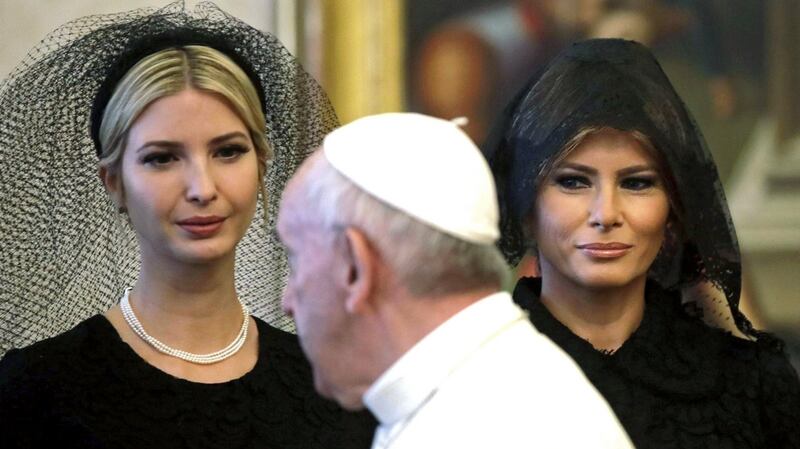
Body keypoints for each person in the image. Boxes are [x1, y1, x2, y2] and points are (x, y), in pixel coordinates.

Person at [0, 3, 374, 448]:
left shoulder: (331, 388)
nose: (202, 188)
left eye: (228, 151)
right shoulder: (34, 392)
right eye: (162, 158)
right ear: (114, 182)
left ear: (261, 164)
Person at [484, 38, 800, 448]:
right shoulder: (471, 380)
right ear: (526, 204)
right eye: (573, 182)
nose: (606, 213)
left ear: (673, 209)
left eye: (636, 183)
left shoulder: (753, 385)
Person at [276, 112, 634, 448]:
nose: (287, 301)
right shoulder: (509, 384)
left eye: (295, 258)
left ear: (355, 268)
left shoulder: (476, 426)